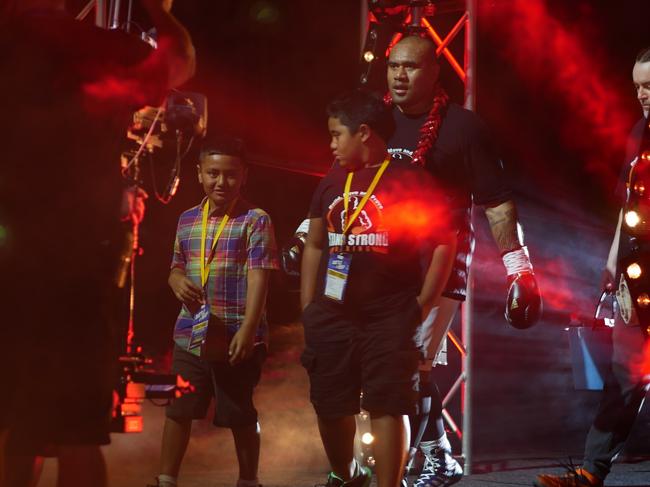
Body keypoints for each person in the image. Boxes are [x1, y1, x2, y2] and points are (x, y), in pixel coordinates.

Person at [0, 1, 195, 486]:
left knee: (19, 428)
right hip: (75, 262)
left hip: (11, 262)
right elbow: (178, 64)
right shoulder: (91, 46)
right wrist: (157, 9)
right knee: (76, 433)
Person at [384, 35, 542, 487]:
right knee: (382, 362)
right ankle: (422, 456)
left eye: (411, 67)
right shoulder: (374, 122)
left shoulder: (464, 128)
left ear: (435, 72)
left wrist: (520, 270)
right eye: (393, 66)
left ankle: (437, 458)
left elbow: (496, 202)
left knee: (411, 363)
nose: (399, 75)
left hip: (440, 261)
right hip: (380, 260)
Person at [301, 89, 457, 487]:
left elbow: (444, 241)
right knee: (331, 404)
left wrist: (423, 301)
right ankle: (346, 474)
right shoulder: (332, 180)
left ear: (364, 133)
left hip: (389, 314)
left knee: (388, 403)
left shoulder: (410, 179)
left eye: (337, 134)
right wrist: (309, 306)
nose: (331, 143)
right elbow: (316, 243)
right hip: (332, 315)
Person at [533, 47, 650, 487]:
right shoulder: (639, 132)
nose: (642, 94)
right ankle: (591, 472)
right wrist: (610, 260)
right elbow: (627, 206)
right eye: (638, 86)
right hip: (636, 274)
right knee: (624, 373)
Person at [148, 139, 279, 487]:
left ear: (244, 176)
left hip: (236, 332)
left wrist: (249, 329)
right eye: (213, 173)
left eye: (231, 175)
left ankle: (248, 480)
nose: (221, 182)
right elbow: (176, 265)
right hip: (190, 333)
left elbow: (260, 276)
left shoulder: (255, 220)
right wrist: (175, 279)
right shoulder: (187, 218)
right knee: (179, 409)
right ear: (199, 174)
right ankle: (165, 480)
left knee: (238, 412)